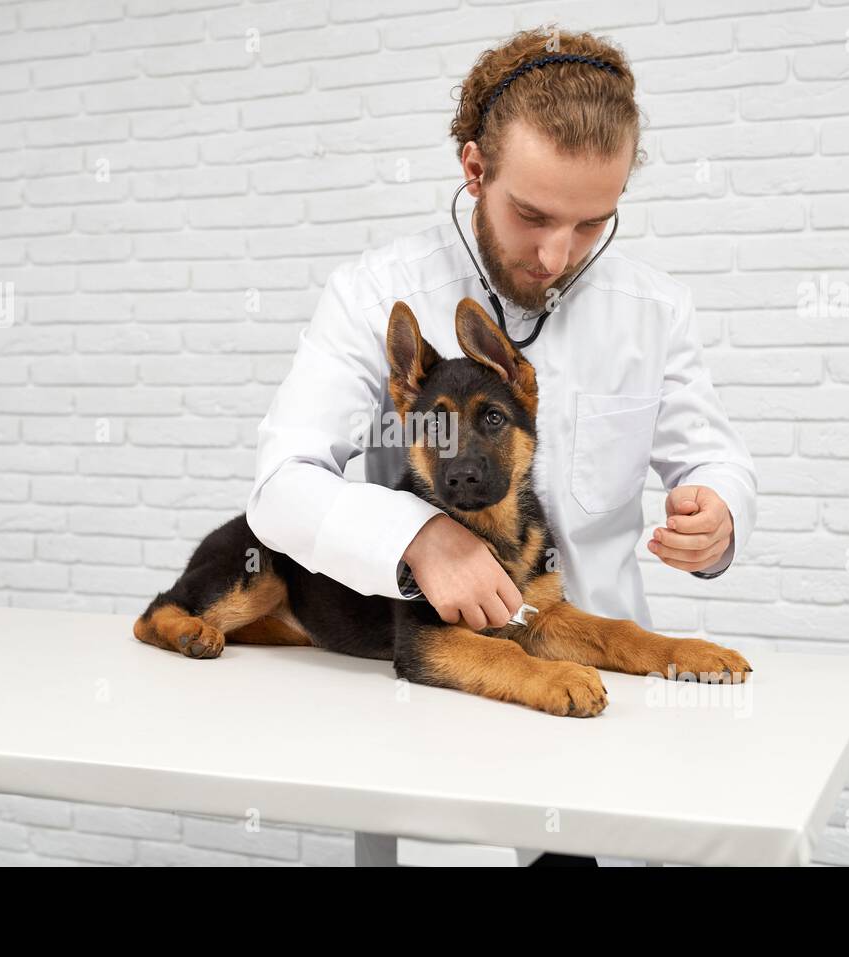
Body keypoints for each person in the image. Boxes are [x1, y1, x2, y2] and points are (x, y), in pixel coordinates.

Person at [245, 26, 757, 868]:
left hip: (610, 698)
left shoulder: (654, 308)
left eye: (593, 223)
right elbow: (279, 484)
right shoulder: (371, 293)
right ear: (474, 167)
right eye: (532, 215)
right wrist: (415, 535)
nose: (557, 256)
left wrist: (719, 510)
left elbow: (713, 458)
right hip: (438, 710)